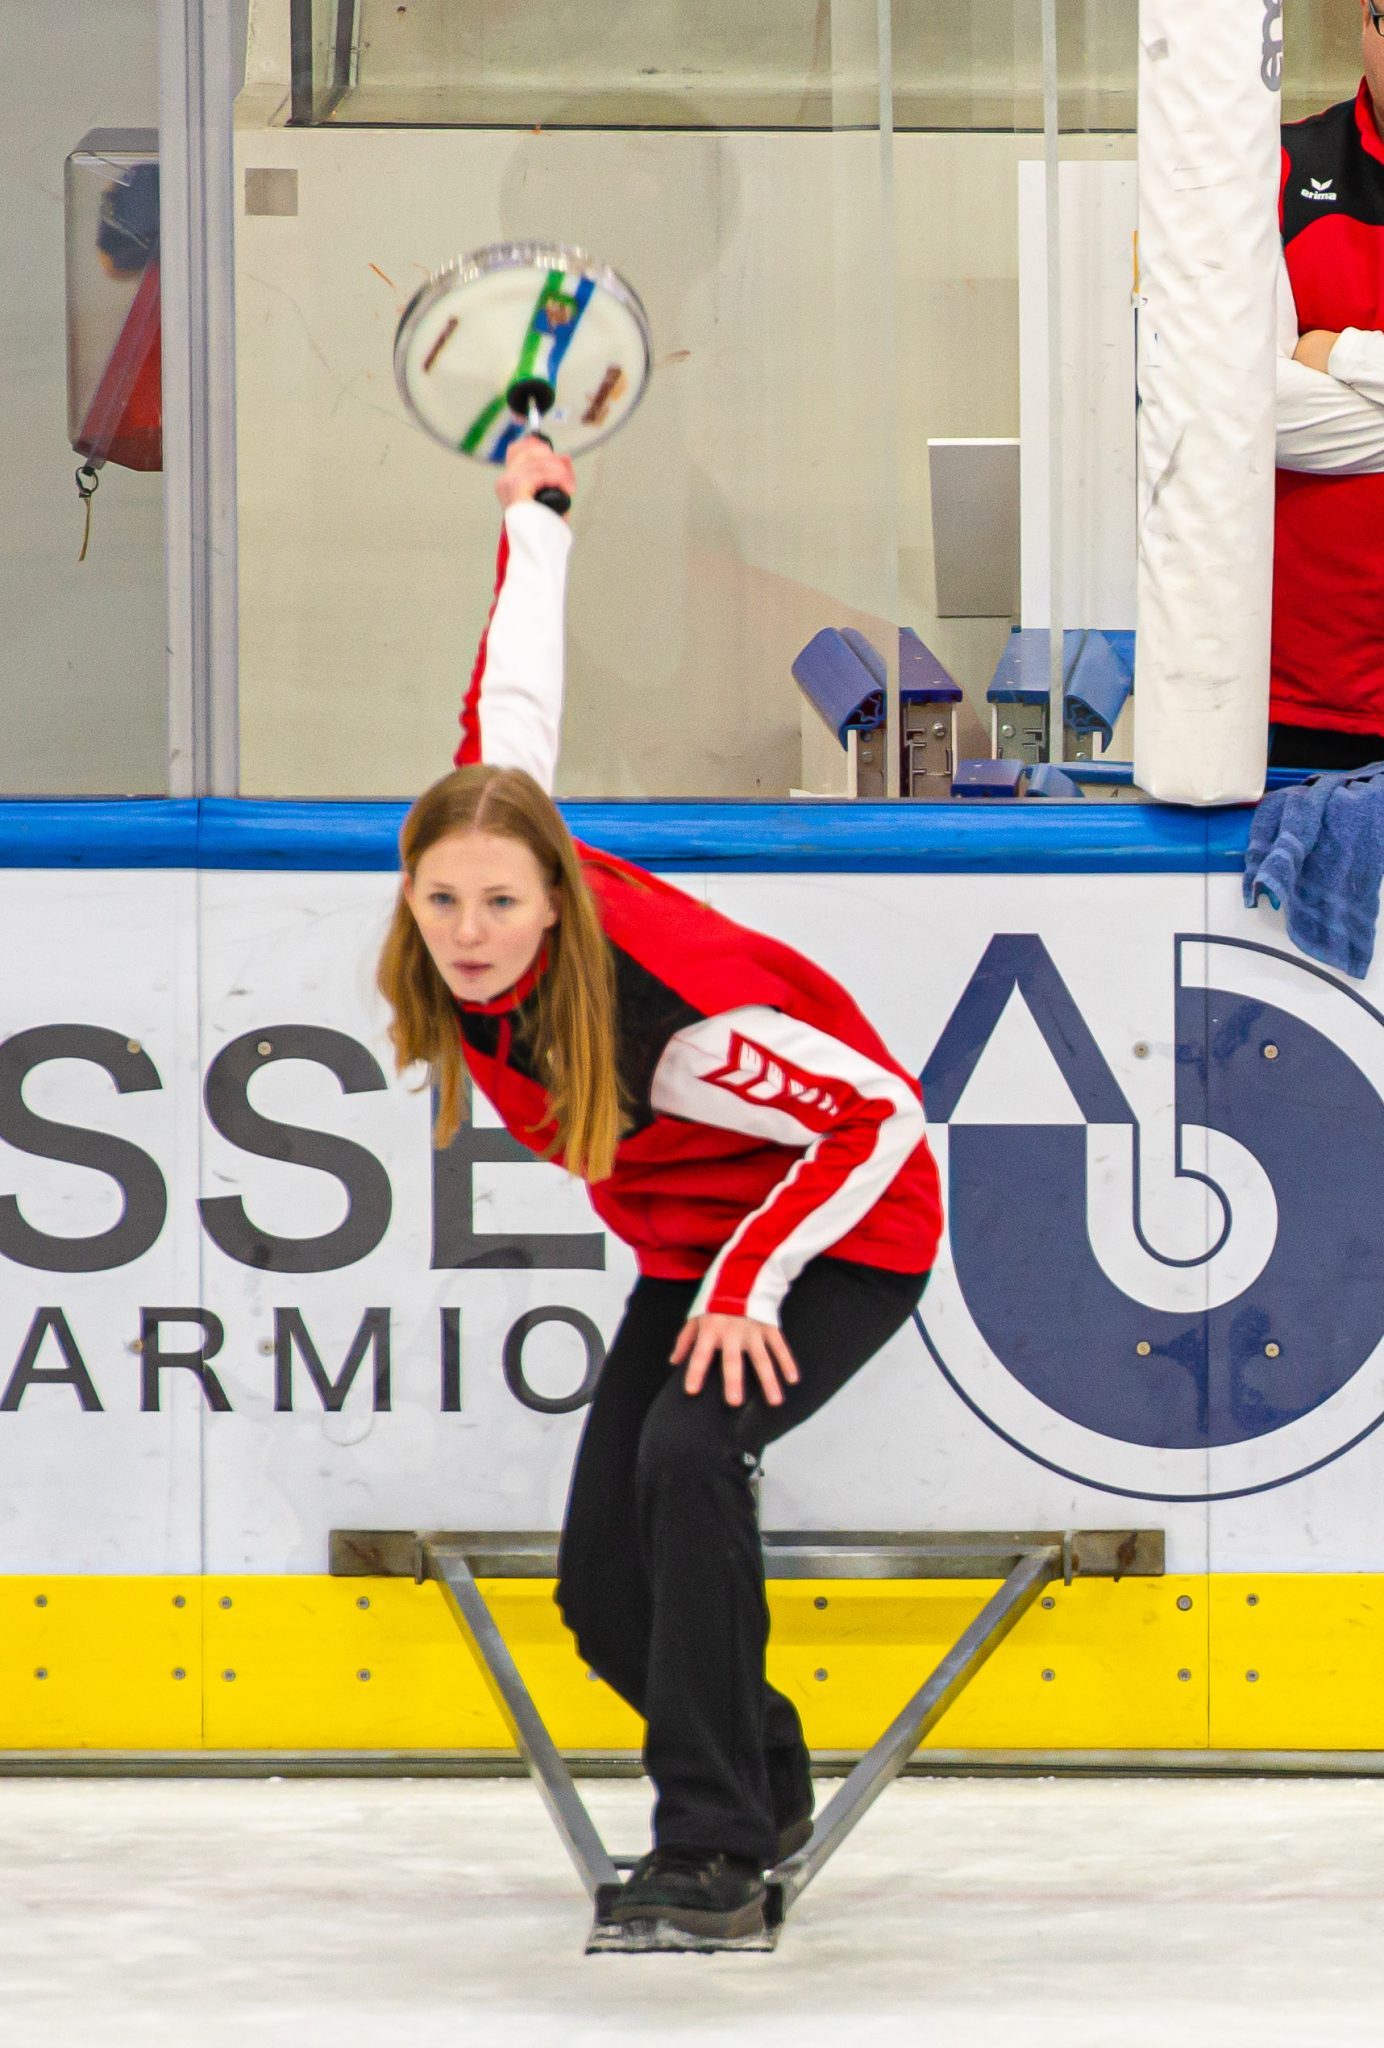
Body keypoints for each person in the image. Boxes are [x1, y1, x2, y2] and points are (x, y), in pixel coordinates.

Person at [375, 437, 942, 1942]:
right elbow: (517, 690)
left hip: (846, 1232)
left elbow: (879, 1118)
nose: (472, 933)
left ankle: (710, 1851)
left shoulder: (667, 1026)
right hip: (698, 1248)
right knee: (596, 1597)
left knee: (691, 1457)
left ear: (555, 893)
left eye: (501, 904)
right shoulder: (495, 824)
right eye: (444, 902)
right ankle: (757, 1762)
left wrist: (754, 1283)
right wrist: (539, 517)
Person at [1273, 0, 1384, 769]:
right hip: (1312, 695)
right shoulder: (1280, 170)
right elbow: (1235, 402)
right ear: (1365, 20)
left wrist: (1334, 352)